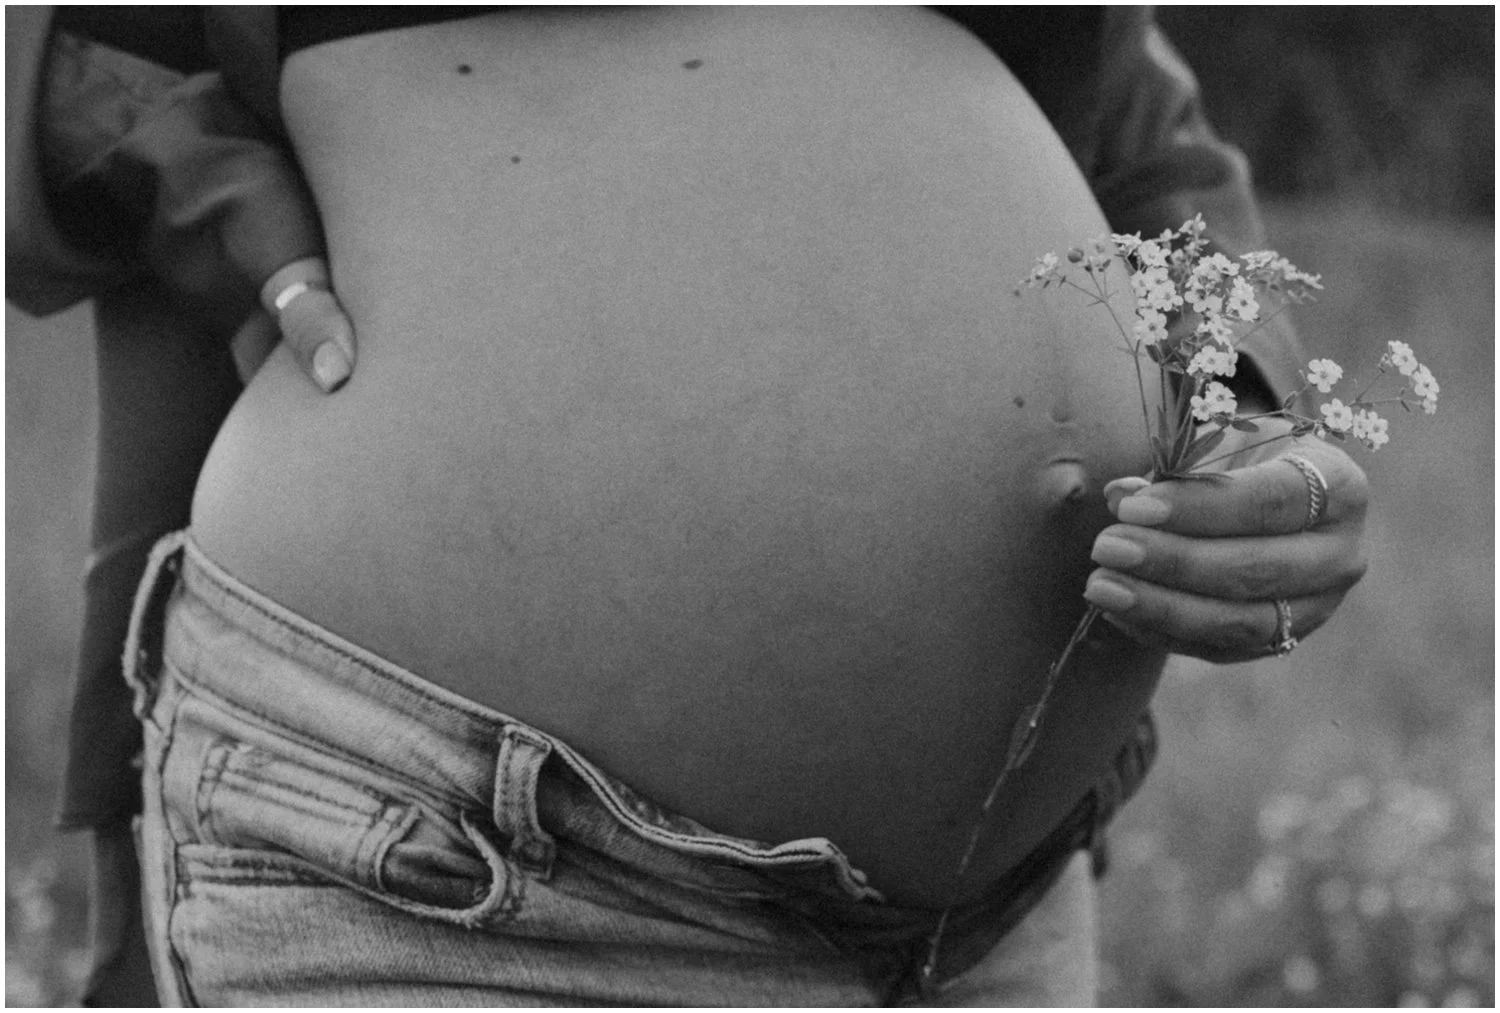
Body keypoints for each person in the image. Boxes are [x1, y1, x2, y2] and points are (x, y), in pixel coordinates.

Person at [7, 7, 1369, 1006]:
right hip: (455, 882)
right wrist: (154, 150)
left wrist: (1246, 404)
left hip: (997, 919)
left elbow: (1132, 122)